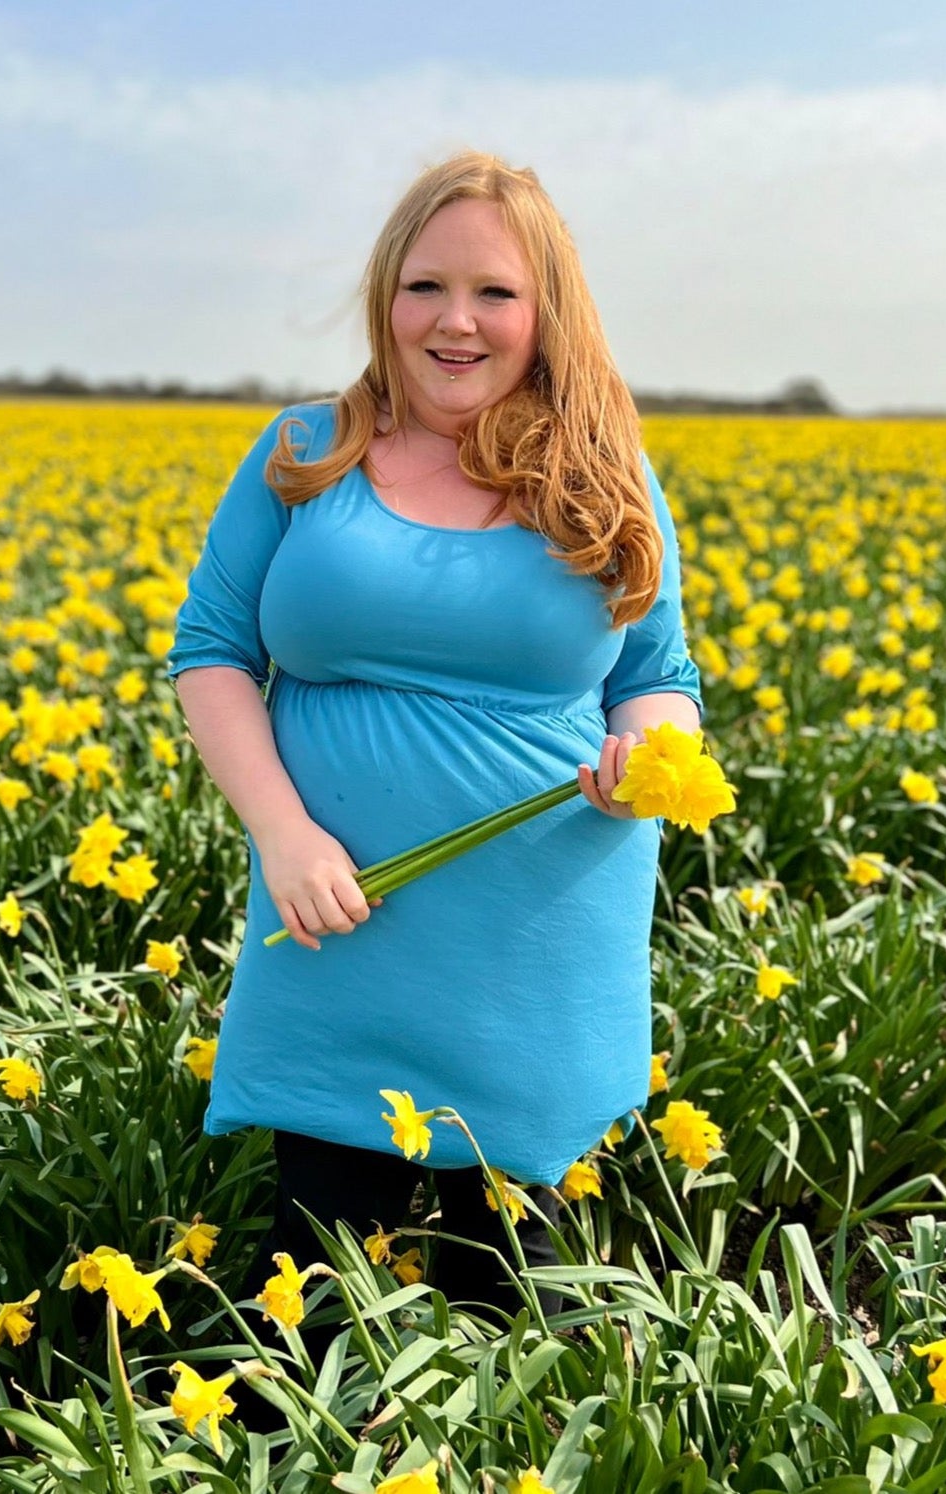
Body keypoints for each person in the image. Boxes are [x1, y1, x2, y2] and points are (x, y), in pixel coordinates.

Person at [168, 150, 702, 1327]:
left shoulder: (603, 474)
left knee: (502, 1294)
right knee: (305, 1280)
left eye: (495, 293)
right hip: (338, 915)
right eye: (425, 287)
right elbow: (209, 651)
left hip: (533, 936)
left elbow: (657, 676)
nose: (456, 322)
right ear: (385, 297)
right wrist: (285, 835)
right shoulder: (305, 452)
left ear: (544, 312)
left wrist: (647, 763)